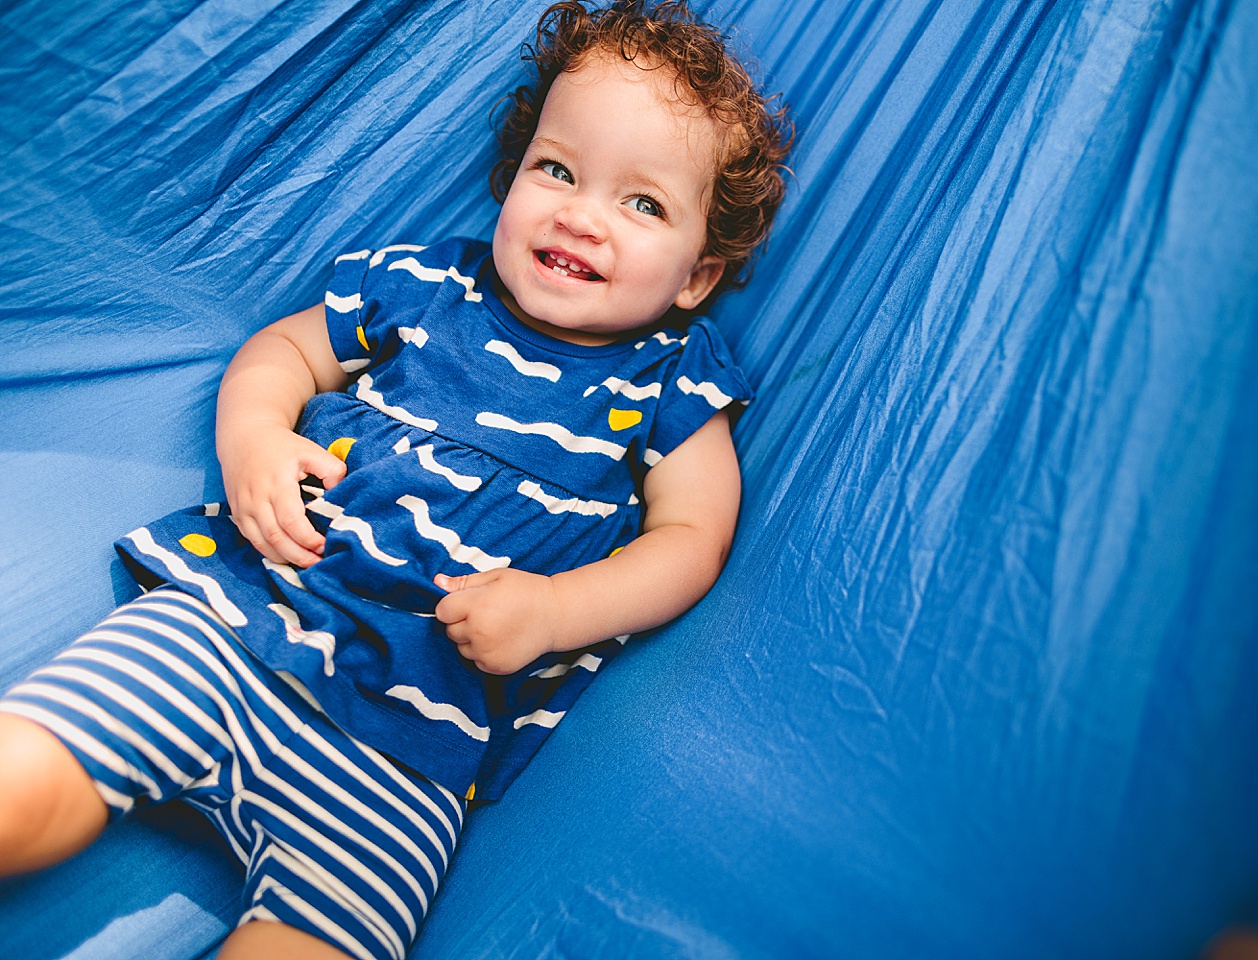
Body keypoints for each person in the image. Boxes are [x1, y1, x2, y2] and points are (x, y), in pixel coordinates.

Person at [0, 1, 792, 957]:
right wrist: (255, 439)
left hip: (409, 747)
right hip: (242, 618)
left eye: (643, 203)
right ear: (512, 177)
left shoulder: (671, 378)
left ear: (698, 277)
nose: (582, 214)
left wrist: (556, 611)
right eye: (557, 170)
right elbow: (282, 352)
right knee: (29, 778)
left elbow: (691, 540)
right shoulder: (425, 285)